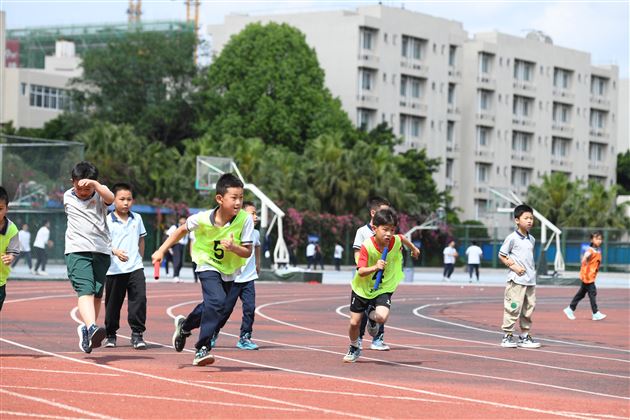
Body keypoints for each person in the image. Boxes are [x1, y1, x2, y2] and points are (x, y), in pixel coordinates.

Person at [152, 173, 254, 366]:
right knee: (217, 301)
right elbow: (181, 230)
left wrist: (233, 248)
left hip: (230, 268)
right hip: (206, 262)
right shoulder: (202, 218)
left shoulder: (245, 220)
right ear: (220, 198)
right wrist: (161, 251)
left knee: (216, 306)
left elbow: (247, 252)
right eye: (234, 197)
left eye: (241, 197)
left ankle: (185, 326)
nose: (238, 202)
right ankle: (202, 348)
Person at [343, 208, 420, 362]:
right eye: (385, 229)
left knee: (382, 317)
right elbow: (361, 271)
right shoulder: (367, 246)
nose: (389, 234)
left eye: (392, 229)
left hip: (383, 287)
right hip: (363, 288)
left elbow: (402, 238)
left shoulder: (395, 240)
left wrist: (414, 249)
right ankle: (354, 346)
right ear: (374, 228)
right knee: (354, 323)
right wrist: (375, 267)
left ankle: (372, 317)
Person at [64, 161, 114, 354]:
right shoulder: (68, 196)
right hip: (77, 250)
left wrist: (96, 186)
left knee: (97, 294)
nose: (83, 192)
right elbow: (78, 192)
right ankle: (92, 327)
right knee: (85, 289)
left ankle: (86, 330)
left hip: (101, 250)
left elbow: (111, 198)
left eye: (87, 189)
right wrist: (87, 185)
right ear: (72, 183)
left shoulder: (101, 193)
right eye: (79, 188)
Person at [104, 183, 148, 349]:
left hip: (135, 268)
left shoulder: (137, 218)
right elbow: (102, 243)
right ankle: (110, 334)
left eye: (129, 199)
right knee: (113, 304)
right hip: (114, 269)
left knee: (139, 300)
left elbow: (141, 239)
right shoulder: (107, 220)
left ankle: (137, 334)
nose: (125, 202)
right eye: (121, 199)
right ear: (113, 200)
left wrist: (139, 259)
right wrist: (114, 251)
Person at [211, 201, 260, 350]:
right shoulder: (234, 231)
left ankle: (245, 337)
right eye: (252, 213)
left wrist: (258, 263)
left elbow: (256, 247)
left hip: (249, 278)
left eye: (256, 213)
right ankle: (213, 332)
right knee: (225, 309)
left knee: (250, 308)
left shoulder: (256, 233)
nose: (256, 216)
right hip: (233, 278)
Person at [498, 204, 541, 349]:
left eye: (531, 218)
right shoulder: (512, 238)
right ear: (517, 220)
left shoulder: (532, 239)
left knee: (528, 309)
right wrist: (514, 267)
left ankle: (524, 336)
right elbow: (502, 255)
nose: (529, 221)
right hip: (516, 281)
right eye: (526, 218)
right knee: (513, 307)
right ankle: (507, 335)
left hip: (530, 281)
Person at [353, 196, 391, 351]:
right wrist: (364, 269)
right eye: (384, 212)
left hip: (382, 277)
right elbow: (357, 254)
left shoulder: (387, 232)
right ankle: (359, 338)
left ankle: (378, 339)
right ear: (373, 212)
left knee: (381, 307)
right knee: (361, 310)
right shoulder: (362, 232)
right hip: (366, 276)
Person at [563, 232, 607, 321]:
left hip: (591, 276)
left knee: (581, 294)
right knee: (592, 293)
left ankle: (570, 309)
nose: (599, 241)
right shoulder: (590, 250)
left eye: (600, 239)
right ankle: (595, 313)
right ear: (592, 240)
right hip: (587, 276)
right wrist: (584, 260)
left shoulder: (597, 250)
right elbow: (585, 257)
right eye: (597, 239)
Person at [0, 186, 20, 311]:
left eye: (0, 209)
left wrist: (10, 257)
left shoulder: (11, 229)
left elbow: (13, 251)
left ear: (7, 208)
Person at [166, 216, 189, 282]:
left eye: (185, 219)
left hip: (182, 245)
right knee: (177, 261)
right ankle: (175, 276)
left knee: (181, 263)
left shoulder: (186, 227)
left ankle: (177, 276)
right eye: (182, 219)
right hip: (176, 245)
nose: (184, 220)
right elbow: (167, 235)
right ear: (179, 220)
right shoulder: (175, 227)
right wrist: (169, 246)